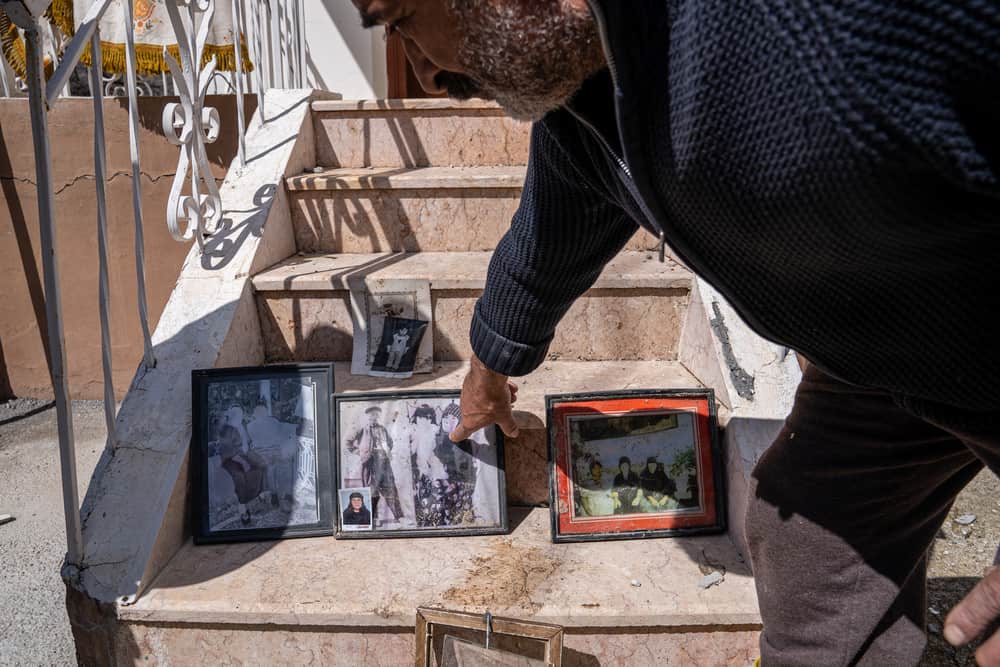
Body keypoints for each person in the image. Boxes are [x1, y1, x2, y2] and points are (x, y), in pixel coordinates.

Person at [354, 1, 1000, 664]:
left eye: (400, 20)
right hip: (874, 348)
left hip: (978, 335)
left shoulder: (828, 20)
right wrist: (488, 368)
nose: (424, 75)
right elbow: (547, 238)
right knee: (809, 533)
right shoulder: (584, 98)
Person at [345, 406, 404, 525]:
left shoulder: (382, 429)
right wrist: (360, 452)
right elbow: (347, 442)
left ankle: (399, 516)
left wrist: (384, 452)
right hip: (370, 463)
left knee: (390, 488)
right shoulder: (362, 429)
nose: (374, 417)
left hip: (384, 463)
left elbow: (390, 443)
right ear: (367, 417)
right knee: (372, 491)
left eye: (376, 415)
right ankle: (373, 518)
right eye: (372, 415)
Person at [215, 423, 271, 526]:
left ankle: (260, 495)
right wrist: (242, 461)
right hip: (229, 459)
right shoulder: (225, 430)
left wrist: (248, 455)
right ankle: (243, 504)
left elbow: (247, 444)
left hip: (241, 454)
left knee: (260, 467)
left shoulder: (241, 427)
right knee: (239, 476)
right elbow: (228, 449)